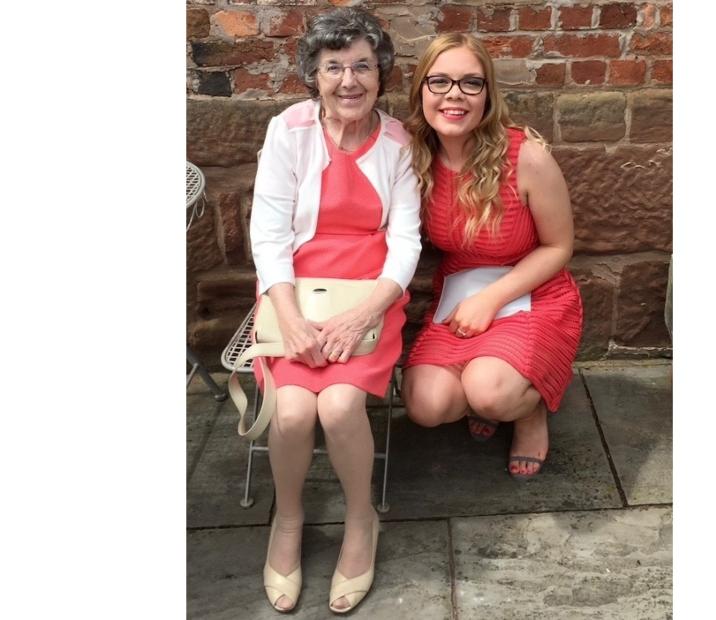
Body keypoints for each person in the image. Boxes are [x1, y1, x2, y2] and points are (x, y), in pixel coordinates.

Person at [249, 8, 420, 614]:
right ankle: (288, 521)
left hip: (370, 294)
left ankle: (359, 519)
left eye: (363, 66)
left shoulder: (398, 142)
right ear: (313, 76)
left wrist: (364, 313)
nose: (349, 80)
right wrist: (290, 317)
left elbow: (406, 242)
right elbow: (268, 234)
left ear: (381, 74)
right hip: (294, 292)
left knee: (342, 403)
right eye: (334, 67)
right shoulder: (287, 130)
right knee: (293, 412)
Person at [402, 33, 583, 480]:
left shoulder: (527, 157)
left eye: (471, 83)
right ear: (421, 90)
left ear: (488, 94)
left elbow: (559, 247)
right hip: (459, 291)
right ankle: (492, 389)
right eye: (439, 81)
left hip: (533, 290)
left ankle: (526, 412)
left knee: (490, 392)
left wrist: (492, 299)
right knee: (426, 406)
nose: (454, 96)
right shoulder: (413, 157)